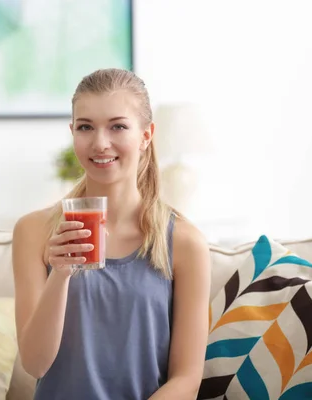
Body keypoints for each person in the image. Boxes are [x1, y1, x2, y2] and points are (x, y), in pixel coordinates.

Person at [12, 68, 211, 400]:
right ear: (72, 132)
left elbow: (187, 380)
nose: (100, 143)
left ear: (146, 136)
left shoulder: (185, 243)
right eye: (85, 127)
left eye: (118, 126)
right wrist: (60, 275)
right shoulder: (34, 232)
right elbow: (35, 364)